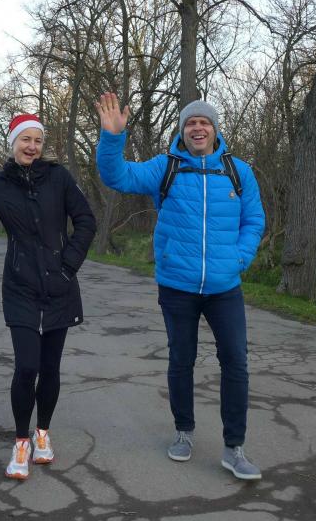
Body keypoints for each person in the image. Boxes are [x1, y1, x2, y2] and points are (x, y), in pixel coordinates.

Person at [95, 93, 266, 480]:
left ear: (215, 130)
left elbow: (254, 221)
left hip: (225, 287)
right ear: (182, 131)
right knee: (181, 360)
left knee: (236, 362)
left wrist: (238, 259)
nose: (197, 128)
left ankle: (234, 447)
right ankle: (184, 432)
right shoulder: (165, 167)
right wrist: (112, 138)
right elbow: (117, 176)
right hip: (177, 286)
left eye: (204, 122)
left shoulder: (238, 171)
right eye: (191, 122)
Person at [0, 114, 96, 480]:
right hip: (20, 289)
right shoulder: (0, 186)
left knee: (50, 369)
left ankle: (43, 433)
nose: (32, 146)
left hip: (59, 287)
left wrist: (68, 265)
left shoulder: (58, 177)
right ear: (12, 143)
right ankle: (21, 441)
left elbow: (86, 221)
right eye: (25, 140)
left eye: (37, 141)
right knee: (27, 367)